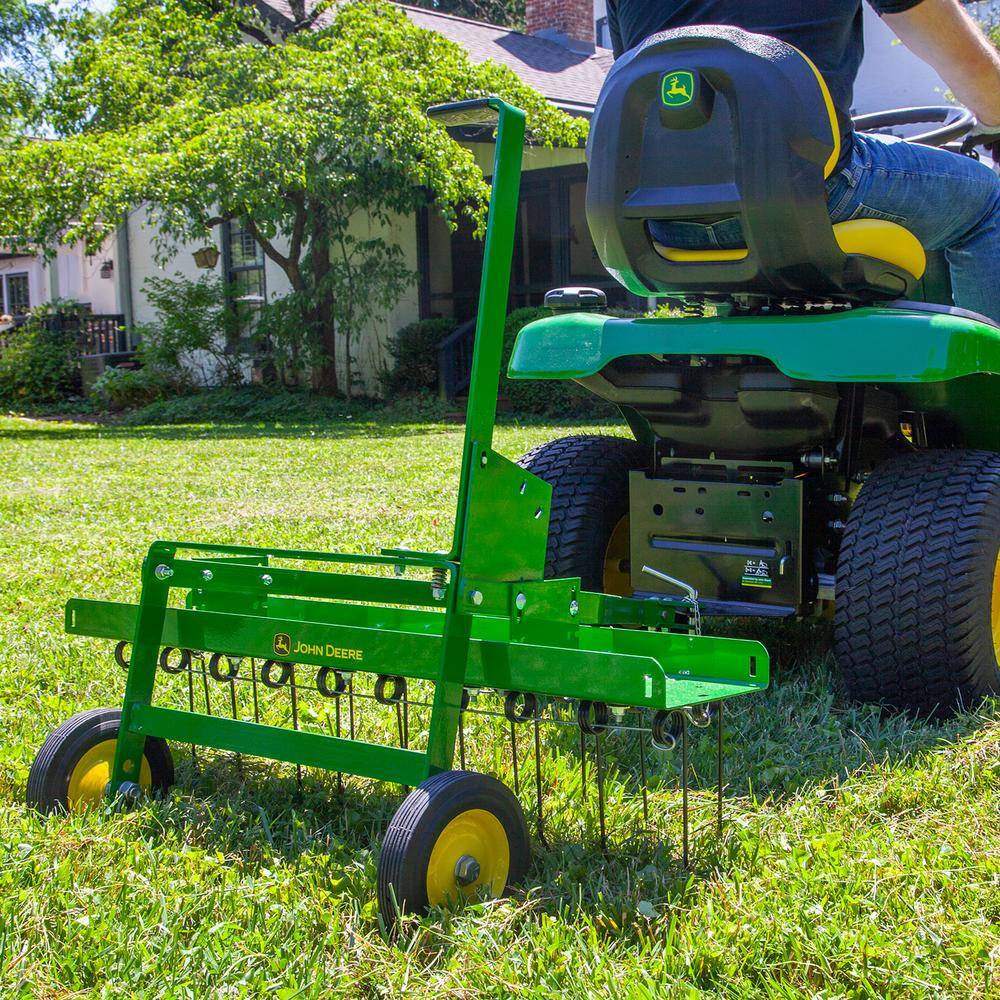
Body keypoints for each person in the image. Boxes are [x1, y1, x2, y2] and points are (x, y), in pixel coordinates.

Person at [605, 0, 1000, 320]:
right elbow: (973, 69)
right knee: (990, 200)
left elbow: (645, 86)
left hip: (662, 221)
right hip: (808, 197)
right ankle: (989, 387)